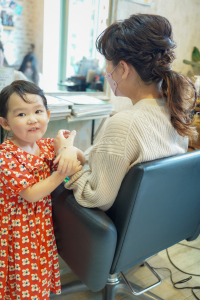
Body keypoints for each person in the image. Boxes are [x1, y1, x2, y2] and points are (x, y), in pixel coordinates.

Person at [54, 14, 197, 211]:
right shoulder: (176, 111)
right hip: (151, 223)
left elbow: (97, 198)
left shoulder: (124, 124)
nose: (106, 72)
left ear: (122, 68)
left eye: (108, 63)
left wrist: (67, 167)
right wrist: (78, 155)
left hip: (105, 231)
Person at [0, 80, 85, 299]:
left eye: (38, 111)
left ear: (47, 115)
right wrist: (60, 173)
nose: (32, 119)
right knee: (20, 281)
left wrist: (68, 149)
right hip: (18, 231)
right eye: (20, 114)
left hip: (40, 227)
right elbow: (30, 194)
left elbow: (82, 160)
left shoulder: (48, 145)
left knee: (39, 276)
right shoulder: (6, 155)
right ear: (5, 123)